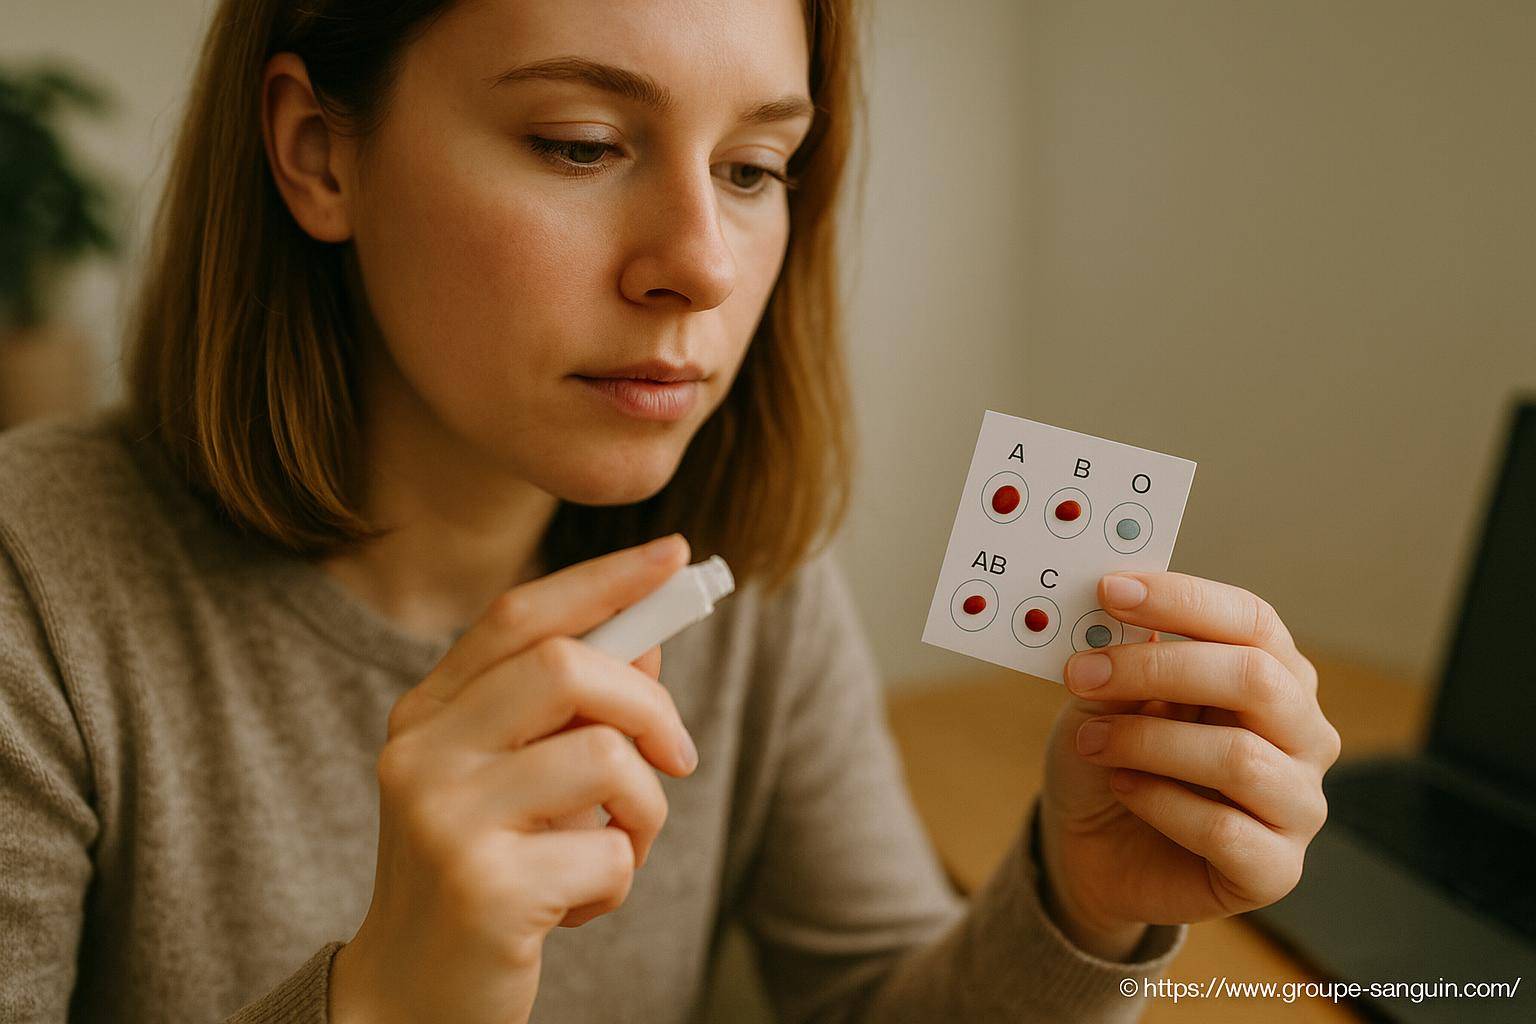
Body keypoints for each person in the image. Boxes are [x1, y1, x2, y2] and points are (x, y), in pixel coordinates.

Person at [0, 0, 1342, 1020]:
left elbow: (869, 996)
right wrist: (383, 998)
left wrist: (1080, 903)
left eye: (757, 167)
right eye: (581, 144)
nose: (700, 262)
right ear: (318, 153)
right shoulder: (34, 590)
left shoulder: (736, 574)